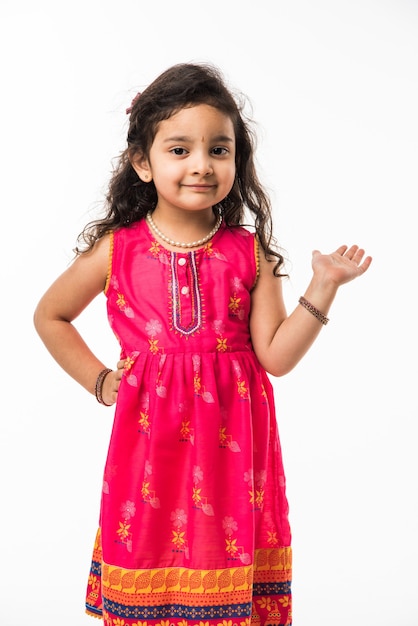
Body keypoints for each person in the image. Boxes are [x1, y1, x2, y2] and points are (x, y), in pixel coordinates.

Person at [33, 62, 372, 626]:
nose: (201, 165)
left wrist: (324, 286)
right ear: (143, 162)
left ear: (237, 162)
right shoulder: (118, 250)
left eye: (219, 150)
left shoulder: (251, 253)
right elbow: (51, 315)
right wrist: (100, 380)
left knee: (226, 561)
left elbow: (278, 358)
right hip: (149, 444)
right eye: (179, 149)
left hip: (233, 447)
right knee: (149, 557)